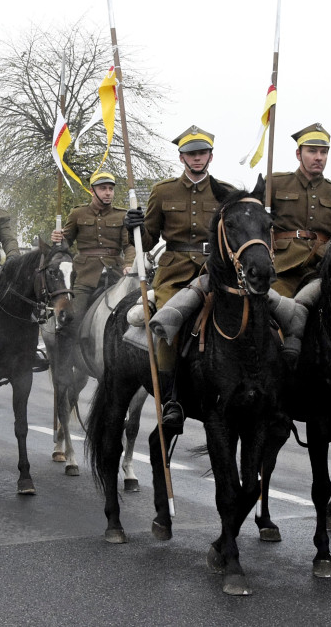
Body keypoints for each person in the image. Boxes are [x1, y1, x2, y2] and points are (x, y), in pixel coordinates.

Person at [123, 125, 235, 432]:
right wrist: (132, 227)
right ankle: (171, 399)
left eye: (202, 153)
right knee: (168, 325)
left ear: (210, 156)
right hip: (174, 272)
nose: (197, 159)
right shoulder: (163, 191)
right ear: (181, 157)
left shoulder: (226, 191)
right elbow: (147, 240)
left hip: (215, 270)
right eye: (191, 154)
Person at [270, 123, 331, 297]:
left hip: (322, 268)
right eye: (312, 151)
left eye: (324, 152)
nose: (319, 157)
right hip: (282, 268)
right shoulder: (275, 183)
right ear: (298, 154)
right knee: (270, 310)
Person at [51, 170, 134, 324]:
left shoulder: (122, 215)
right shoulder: (78, 213)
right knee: (73, 318)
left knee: (134, 309)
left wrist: (129, 264)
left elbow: (128, 245)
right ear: (92, 190)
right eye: (103, 188)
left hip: (115, 272)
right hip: (84, 275)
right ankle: (64, 344)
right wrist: (58, 239)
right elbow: (65, 243)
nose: (108, 193)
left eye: (111, 188)